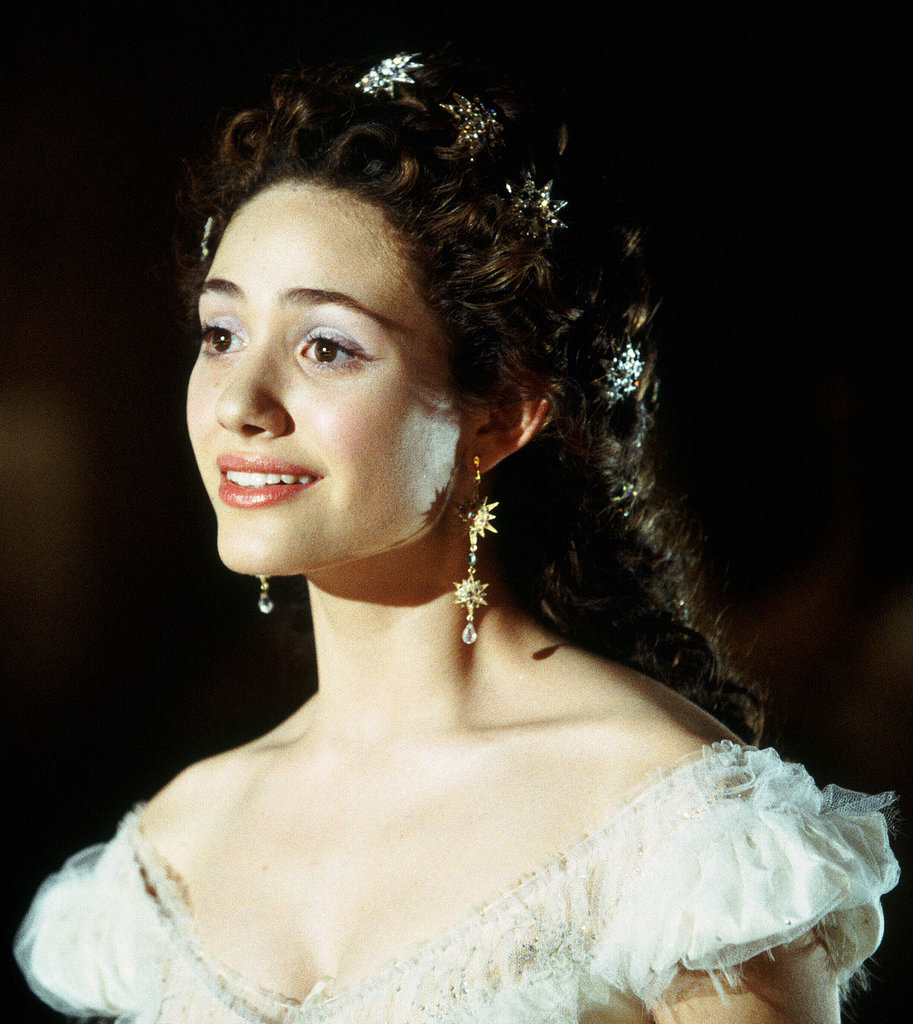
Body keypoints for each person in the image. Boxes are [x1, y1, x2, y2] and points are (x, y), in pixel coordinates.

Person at [15, 52, 898, 1024]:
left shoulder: (676, 833)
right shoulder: (174, 850)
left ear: (501, 415)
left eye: (326, 347)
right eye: (220, 334)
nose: (239, 403)